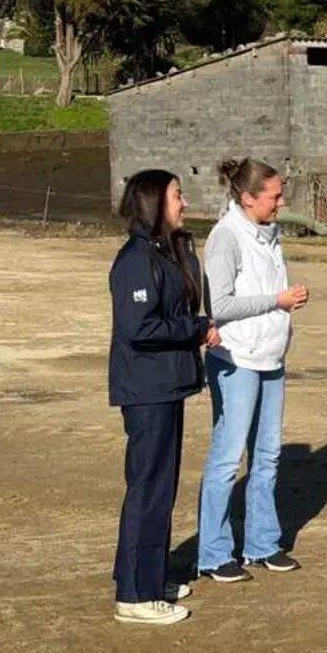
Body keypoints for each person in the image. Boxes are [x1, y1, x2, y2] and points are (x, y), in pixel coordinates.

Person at [108, 169, 220, 625]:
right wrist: (196, 329)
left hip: (166, 384)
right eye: (177, 195)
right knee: (149, 489)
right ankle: (136, 595)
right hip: (147, 389)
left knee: (159, 487)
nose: (184, 202)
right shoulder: (135, 259)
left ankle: (145, 578)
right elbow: (141, 327)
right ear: (155, 201)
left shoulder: (166, 252)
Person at [196, 158, 309, 583]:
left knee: (268, 456)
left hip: (271, 358)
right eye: (274, 196)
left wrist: (283, 309)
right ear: (248, 198)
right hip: (236, 360)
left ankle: (262, 544)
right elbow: (219, 305)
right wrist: (276, 302)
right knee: (227, 460)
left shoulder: (269, 235)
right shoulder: (226, 237)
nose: (281, 202)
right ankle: (212, 553)